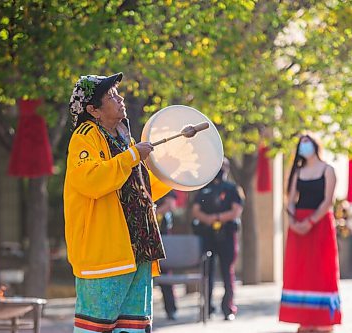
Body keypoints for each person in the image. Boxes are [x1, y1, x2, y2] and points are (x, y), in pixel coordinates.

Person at [64, 72, 173, 333]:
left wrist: (176, 174)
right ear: (93, 109)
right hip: (104, 255)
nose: (120, 97)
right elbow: (91, 181)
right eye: (111, 95)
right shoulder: (84, 136)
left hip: (137, 251)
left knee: (134, 327)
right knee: (96, 327)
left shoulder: (125, 138)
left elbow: (140, 191)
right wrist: (132, 156)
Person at [279, 134, 341, 333]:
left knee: (322, 270)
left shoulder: (328, 169)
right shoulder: (297, 171)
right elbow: (290, 199)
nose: (305, 146)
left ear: (316, 145)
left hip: (320, 224)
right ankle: (304, 319)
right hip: (297, 226)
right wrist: (293, 221)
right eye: (301, 143)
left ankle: (324, 320)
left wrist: (311, 222)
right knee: (299, 271)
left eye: (308, 142)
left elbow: (327, 201)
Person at [192, 158, 243, 321]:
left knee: (227, 271)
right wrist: (208, 219)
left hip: (227, 234)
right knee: (208, 271)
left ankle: (228, 308)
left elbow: (237, 210)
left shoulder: (232, 188)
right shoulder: (204, 188)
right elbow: (195, 210)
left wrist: (219, 217)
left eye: (223, 166)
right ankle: (208, 308)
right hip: (208, 235)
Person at [155, 190, 178, 320]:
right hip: (146, 234)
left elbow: (171, 205)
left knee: (166, 273)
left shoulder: (164, 184)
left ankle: (171, 309)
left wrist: (153, 212)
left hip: (163, 236)